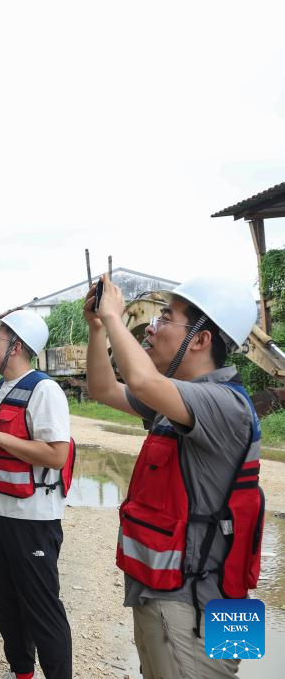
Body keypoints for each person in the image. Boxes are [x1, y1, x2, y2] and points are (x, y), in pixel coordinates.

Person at [84, 274, 263, 678]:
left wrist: (114, 316)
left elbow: (142, 381)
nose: (151, 326)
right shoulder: (178, 402)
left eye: (165, 318)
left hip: (193, 603)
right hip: (197, 593)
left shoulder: (223, 404)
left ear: (200, 340)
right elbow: (103, 390)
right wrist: (98, 328)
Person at [0, 310, 74, 679]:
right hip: (0, 512)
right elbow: (6, 444)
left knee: (42, 609)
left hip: (33, 520)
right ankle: (21, 673)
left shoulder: (45, 390)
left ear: (17, 347)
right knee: (6, 603)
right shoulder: (1, 388)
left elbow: (57, 455)